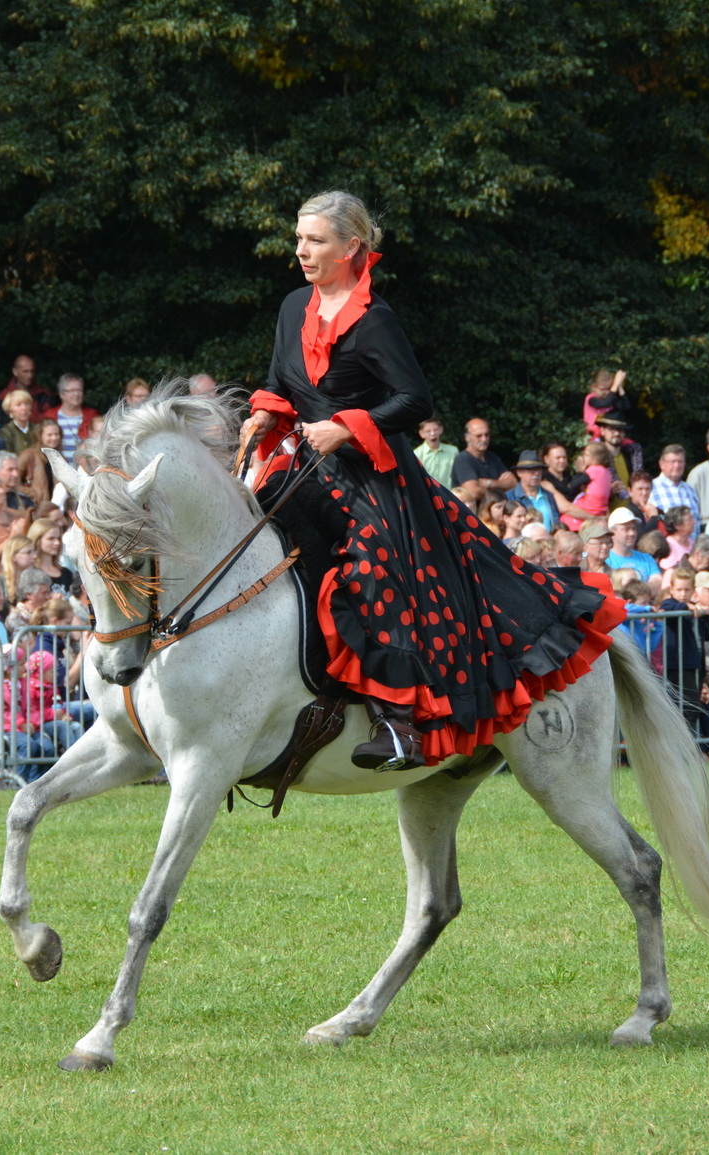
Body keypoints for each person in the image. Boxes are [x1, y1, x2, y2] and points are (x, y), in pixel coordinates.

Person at [240, 191, 624, 769]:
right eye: (299, 238)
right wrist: (267, 411)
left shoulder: (375, 319)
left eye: (315, 240)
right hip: (304, 465)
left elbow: (414, 400)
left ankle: (399, 725)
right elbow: (278, 378)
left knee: (371, 567)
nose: (301, 250)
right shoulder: (294, 304)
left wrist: (348, 427)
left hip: (375, 479)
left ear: (352, 248)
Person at [413, 418, 459, 487]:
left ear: (441, 429)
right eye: (428, 431)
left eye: (435, 430)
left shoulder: (453, 451)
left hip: (450, 494)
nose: (433, 433)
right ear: (421, 433)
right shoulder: (417, 454)